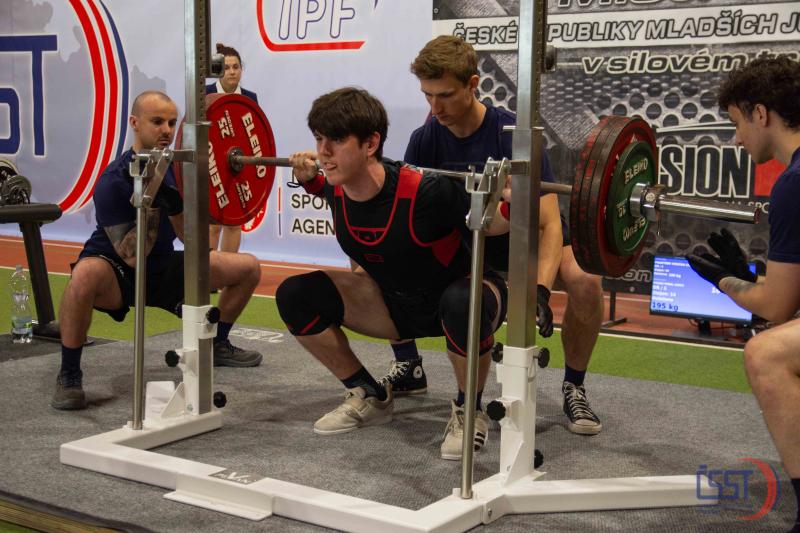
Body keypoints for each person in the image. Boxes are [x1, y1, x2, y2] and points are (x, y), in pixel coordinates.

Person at [384, 35, 604, 436]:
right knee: (377, 253)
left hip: (528, 241)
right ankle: (408, 364)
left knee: (586, 281)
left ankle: (574, 386)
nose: (435, 108)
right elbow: (411, 214)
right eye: (427, 95)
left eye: (445, 95)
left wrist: (540, 290)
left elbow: (548, 223)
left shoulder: (511, 135)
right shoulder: (425, 139)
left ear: (473, 84)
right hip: (474, 243)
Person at [278, 87, 512, 460]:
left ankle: (469, 410)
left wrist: (513, 202)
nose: (323, 152)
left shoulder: (428, 191)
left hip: (467, 300)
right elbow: (330, 193)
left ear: (371, 143)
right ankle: (369, 395)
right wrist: (310, 180)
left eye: (336, 140)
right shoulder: (339, 189)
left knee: (462, 300)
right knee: (295, 294)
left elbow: (493, 224)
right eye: (319, 139)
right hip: (396, 307)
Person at [52, 90, 263, 411]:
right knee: (83, 275)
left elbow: (195, 243)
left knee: (248, 268)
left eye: (171, 123)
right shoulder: (114, 180)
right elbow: (132, 255)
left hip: (163, 265)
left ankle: (217, 343)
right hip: (118, 270)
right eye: (157, 121)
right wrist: (154, 196)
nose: (166, 130)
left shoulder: (179, 172)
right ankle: (69, 373)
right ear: (135, 123)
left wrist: (174, 203)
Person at [687, 56, 800, 533]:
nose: (736, 139)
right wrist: (749, 279)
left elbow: (776, 308)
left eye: (737, 124)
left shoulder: (793, 183)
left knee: (765, 353)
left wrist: (726, 283)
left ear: (760, 114)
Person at [205, 42, 259, 254]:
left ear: (241, 69)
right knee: (213, 224)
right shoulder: (204, 93)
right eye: (226, 67)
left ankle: (229, 269)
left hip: (237, 165)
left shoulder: (250, 97)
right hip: (210, 164)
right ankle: (209, 272)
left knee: (234, 223)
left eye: (236, 67)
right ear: (218, 71)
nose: (232, 72)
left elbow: (254, 134)